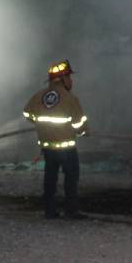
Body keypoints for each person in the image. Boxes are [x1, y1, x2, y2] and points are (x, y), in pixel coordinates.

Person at [23, 59, 88, 219]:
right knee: (71, 177)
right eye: (69, 77)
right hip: (66, 147)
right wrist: (83, 132)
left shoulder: (39, 95)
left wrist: (40, 124)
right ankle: (71, 211)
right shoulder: (70, 98)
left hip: (48, 147)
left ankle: (49, 211)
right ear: (63, 78)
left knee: (50, 177)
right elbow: (79, 124)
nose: (71, 80)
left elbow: (27, 113)